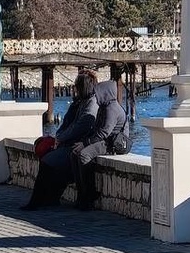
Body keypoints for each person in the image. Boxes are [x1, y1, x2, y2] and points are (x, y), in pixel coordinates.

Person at [20, 73, 101, 211]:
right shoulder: (82, 102)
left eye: (77, 86)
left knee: (47, 162)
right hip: (69, 144)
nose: (75, 89)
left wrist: (61, 138)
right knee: (51, 163)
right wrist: (59, 136)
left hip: (75, 145)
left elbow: (81, 126)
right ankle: (49, 198)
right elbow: (69, 124)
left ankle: (37, 201)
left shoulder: (91, 104)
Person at [71, 73, 130, 211]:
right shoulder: (105, 107)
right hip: (105, 141)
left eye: (97, 94)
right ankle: (81, 194)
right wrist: (84, 142)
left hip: (112, 144)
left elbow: (104, 133)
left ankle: (90, 194)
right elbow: (97, 130)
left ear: (104, 94)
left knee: (84, 155)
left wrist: (85, 144)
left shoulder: (112, 109)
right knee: (74, 154)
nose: (95, 97)